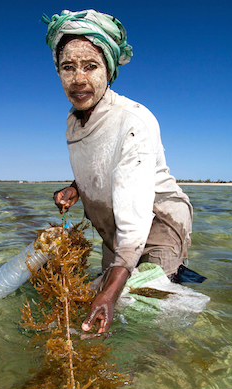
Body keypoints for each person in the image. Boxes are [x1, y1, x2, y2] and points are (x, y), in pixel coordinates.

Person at [42, 10, 198, 335]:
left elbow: (136, 216)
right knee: (99, 306)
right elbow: (103, 164)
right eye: (68, 67)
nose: (79, 79)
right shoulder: (74, 122)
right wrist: (76, 188)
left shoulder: (133, 122)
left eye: (91, 66)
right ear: (57, 71)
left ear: (109, 71)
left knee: (145, 318)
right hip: (114, 230)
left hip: (156, 223)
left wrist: (111, 293)